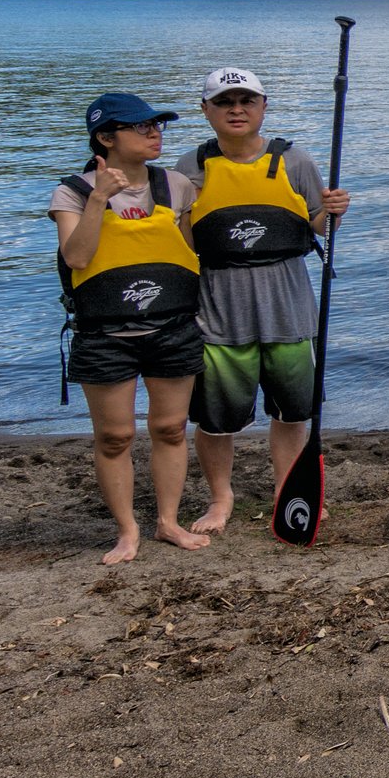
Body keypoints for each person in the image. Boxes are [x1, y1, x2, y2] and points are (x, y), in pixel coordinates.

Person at [170, 67, 349, 534]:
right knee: (216, 419)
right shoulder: (188, 170)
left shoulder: (296, 162)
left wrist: (334, 214)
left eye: (247, 101)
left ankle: (285, 488)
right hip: (218, 308)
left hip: (286, 304)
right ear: (205, 110)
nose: (236, 110)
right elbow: (179, 244)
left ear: (263, 106)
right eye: (225, 102)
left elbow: (317, 227)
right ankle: (220, 499)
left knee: (293, 410)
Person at [48, 93, 207, 563]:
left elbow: (189, 254)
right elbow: (76, 257)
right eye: (141, 127)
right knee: (115, 436)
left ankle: (168, 523)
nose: (155, 132)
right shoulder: (73, 193)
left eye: (157, 125)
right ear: (105, 137)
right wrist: (100, 197)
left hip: (173, 328)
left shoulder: (177, 186)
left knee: (171, 427)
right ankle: (127, 531)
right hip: (105, 335)